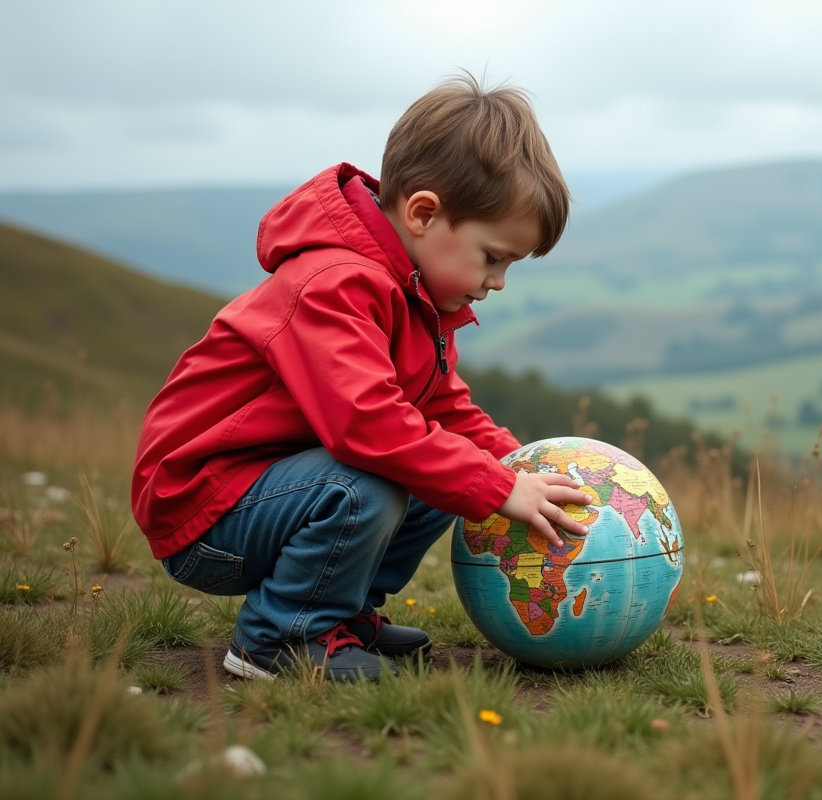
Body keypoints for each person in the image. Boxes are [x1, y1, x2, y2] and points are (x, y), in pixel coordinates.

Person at [130, 75, 593, 682]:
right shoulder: (335, 284)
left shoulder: (414, 292)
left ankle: (340, 615)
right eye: (493, 256)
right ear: (424, 214)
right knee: (366, 486)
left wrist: (514, 466)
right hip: (202, 509)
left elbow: (443, 407)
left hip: (272, 491)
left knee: (439, 477)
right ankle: (279, 638)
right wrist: (495, 487)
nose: (498, 281)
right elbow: (366, 425)